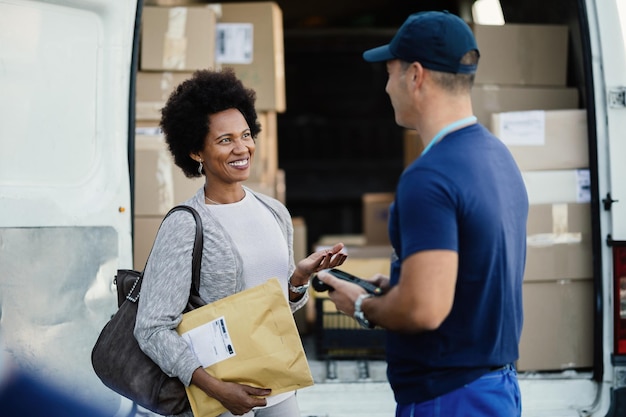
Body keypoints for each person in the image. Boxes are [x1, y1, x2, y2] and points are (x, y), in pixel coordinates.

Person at [317, 10, 528, 417]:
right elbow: (472, 273)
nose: (385, 86)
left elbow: (423, 310)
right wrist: (400, 282)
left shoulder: (429, 177)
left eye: (389, 72)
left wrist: (363, 305)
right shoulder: (496, 155)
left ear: (415, 76)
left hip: (448, 397)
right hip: (495, 386)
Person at [134, 68, 347, 417]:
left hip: (277, 387)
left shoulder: (274, 212)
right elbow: (152, 328)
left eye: (246, 134)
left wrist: (298, 281)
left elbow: (273, 312)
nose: (242, 147)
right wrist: (215, 388)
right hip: (218, 397)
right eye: (225, 140)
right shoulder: (186, 225)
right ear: (196, 152)